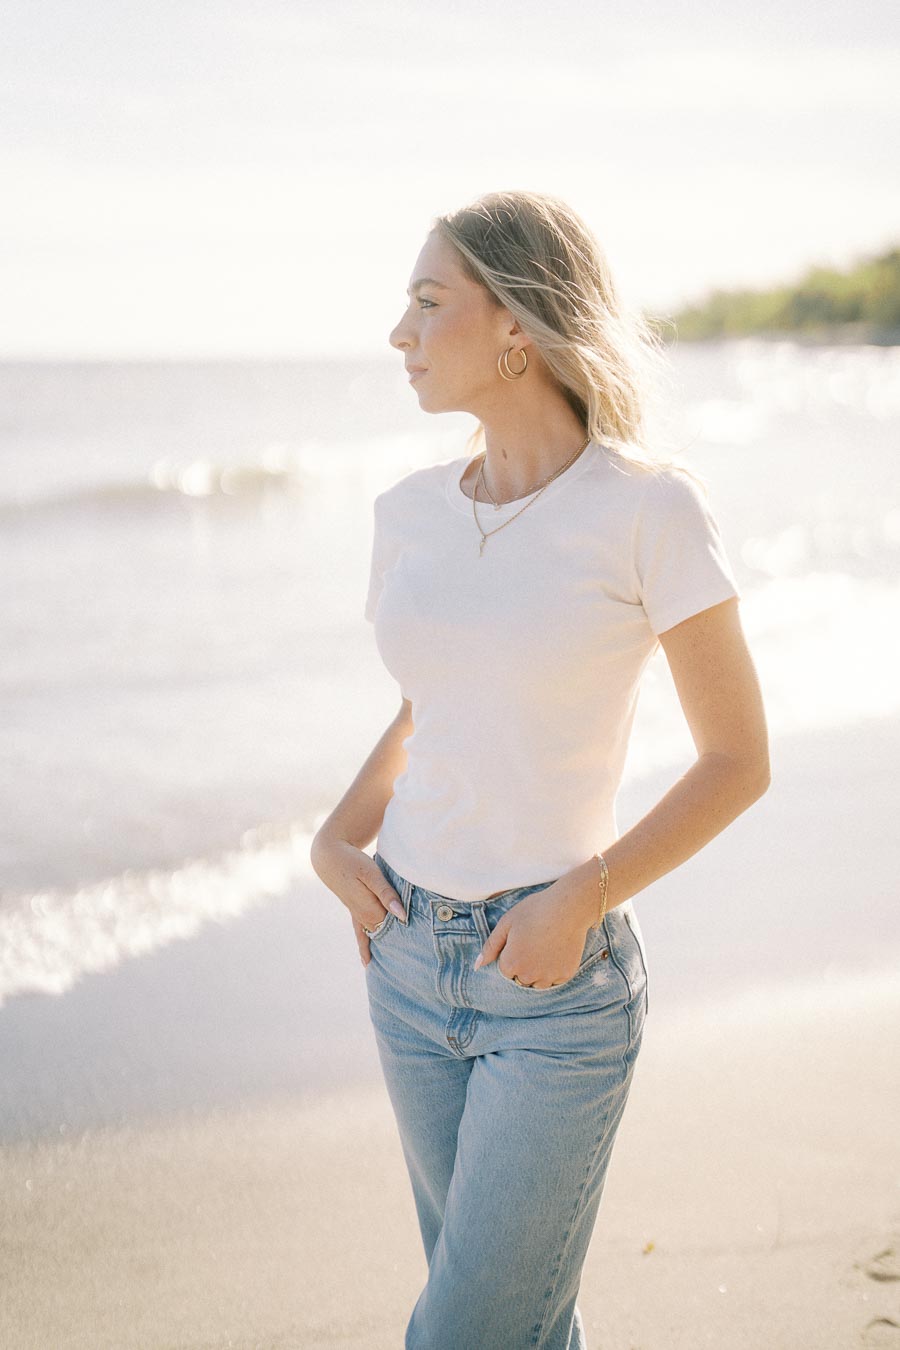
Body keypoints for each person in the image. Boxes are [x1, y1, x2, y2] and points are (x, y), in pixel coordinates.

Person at [310, 189, 771, 1350]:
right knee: (517, 1325)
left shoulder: (646, 509)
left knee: (466, 1331)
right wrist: (335, 836)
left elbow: (737, 760)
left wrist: (585, 896)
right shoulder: (407, 513)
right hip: (405, 957)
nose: (398, 332)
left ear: (516, 323)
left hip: (551, 982)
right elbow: (432, 705)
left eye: (429, 301)